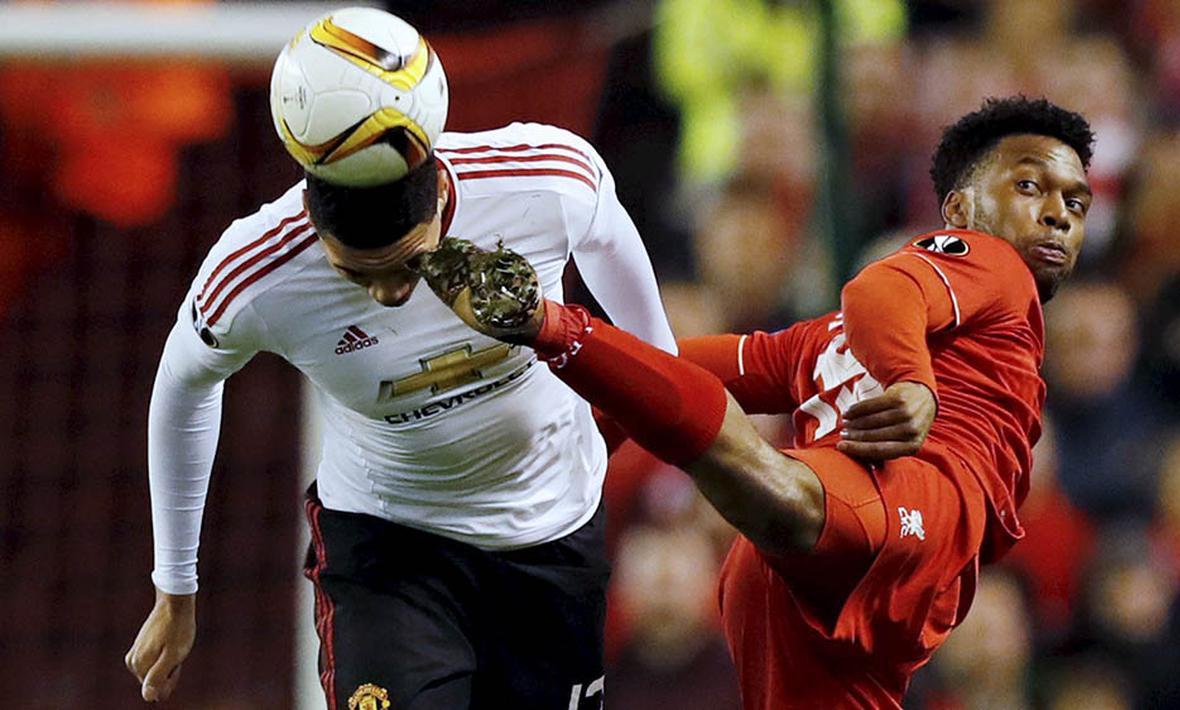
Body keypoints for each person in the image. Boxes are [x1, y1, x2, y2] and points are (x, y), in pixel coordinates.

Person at [428, 95, 1095, 708]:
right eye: (1028, 186)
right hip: (875, 514)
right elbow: (882, 291)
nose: (1057, 214)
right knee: (778, 482)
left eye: (1076, 202)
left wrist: (558, 424)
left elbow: (675, 365)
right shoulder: (995, 267)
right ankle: (547, 322)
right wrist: (912, 383)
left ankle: (549, 336)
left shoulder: (820, 344)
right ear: (959, 212)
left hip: (792, 586)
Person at [123, 89, 677, 710]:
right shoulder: (257, 271)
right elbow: (184, 384)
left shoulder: (545, 180)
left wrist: (670, 444)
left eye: (408, 263)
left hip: (554, 536)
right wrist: (175, 586)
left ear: (438, 192)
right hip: (389, 552)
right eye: (356, 273)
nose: (387, 295)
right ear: (312, 219)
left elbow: (659, 353)